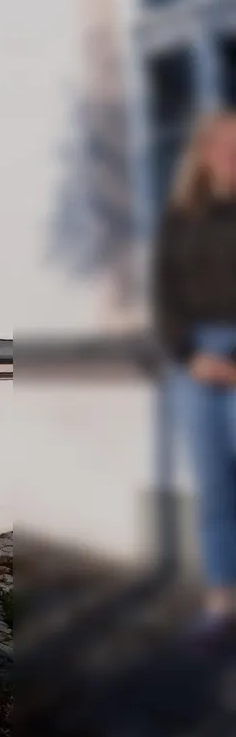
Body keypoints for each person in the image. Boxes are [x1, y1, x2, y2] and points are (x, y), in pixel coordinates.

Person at [152, 108, 236, 651]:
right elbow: (164, 295)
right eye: (223, 145)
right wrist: (189, 353)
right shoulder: (181, 217)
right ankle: (221, 609)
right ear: (203, 153)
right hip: (195, 360)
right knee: (214, 490)